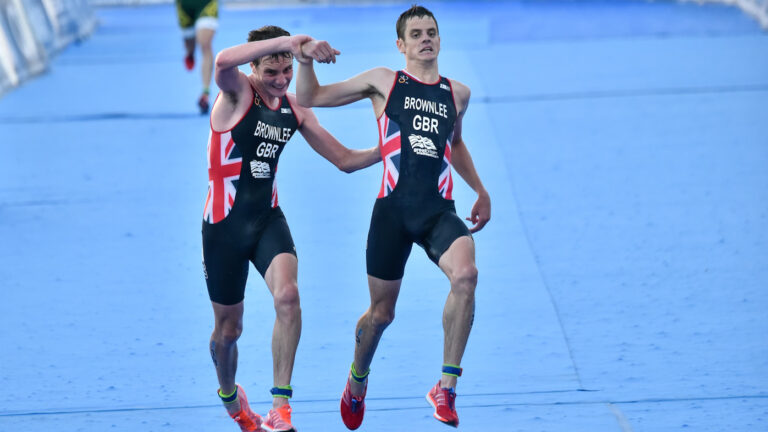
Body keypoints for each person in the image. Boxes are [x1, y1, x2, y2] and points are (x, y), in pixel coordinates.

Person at [296, 4, 491, 429]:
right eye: (416, 33)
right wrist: (305, 59)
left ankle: (447, 386)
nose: (426, 39)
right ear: (401, 44)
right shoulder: (385, 81)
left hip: (439, 212)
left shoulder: (458, 94)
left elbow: (454, 145)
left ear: (440, 39)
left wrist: (480, 189)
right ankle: (357, 378)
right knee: (381, 315)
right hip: (392, 215)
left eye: (432, 32)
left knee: (467, 275)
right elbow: (310, 98)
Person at [202, 26, 379, 432]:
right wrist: (291, 42)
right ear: (254, 67)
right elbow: (222, 60)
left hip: (267, 220)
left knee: (288, 296)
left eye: (287, 70)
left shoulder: (295, 110)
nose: (281, 80)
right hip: (223, 228)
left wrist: (385, 150)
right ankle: (231, 398)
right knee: (229, 331)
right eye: (272, 72)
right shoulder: (237, 94)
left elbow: (345, 159)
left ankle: (281, 406)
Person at [175, 0, 218, 113]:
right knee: (190, 45)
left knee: (205, 44)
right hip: (185, 5)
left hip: (205, 3)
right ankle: (190, 54)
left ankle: (205, 93)